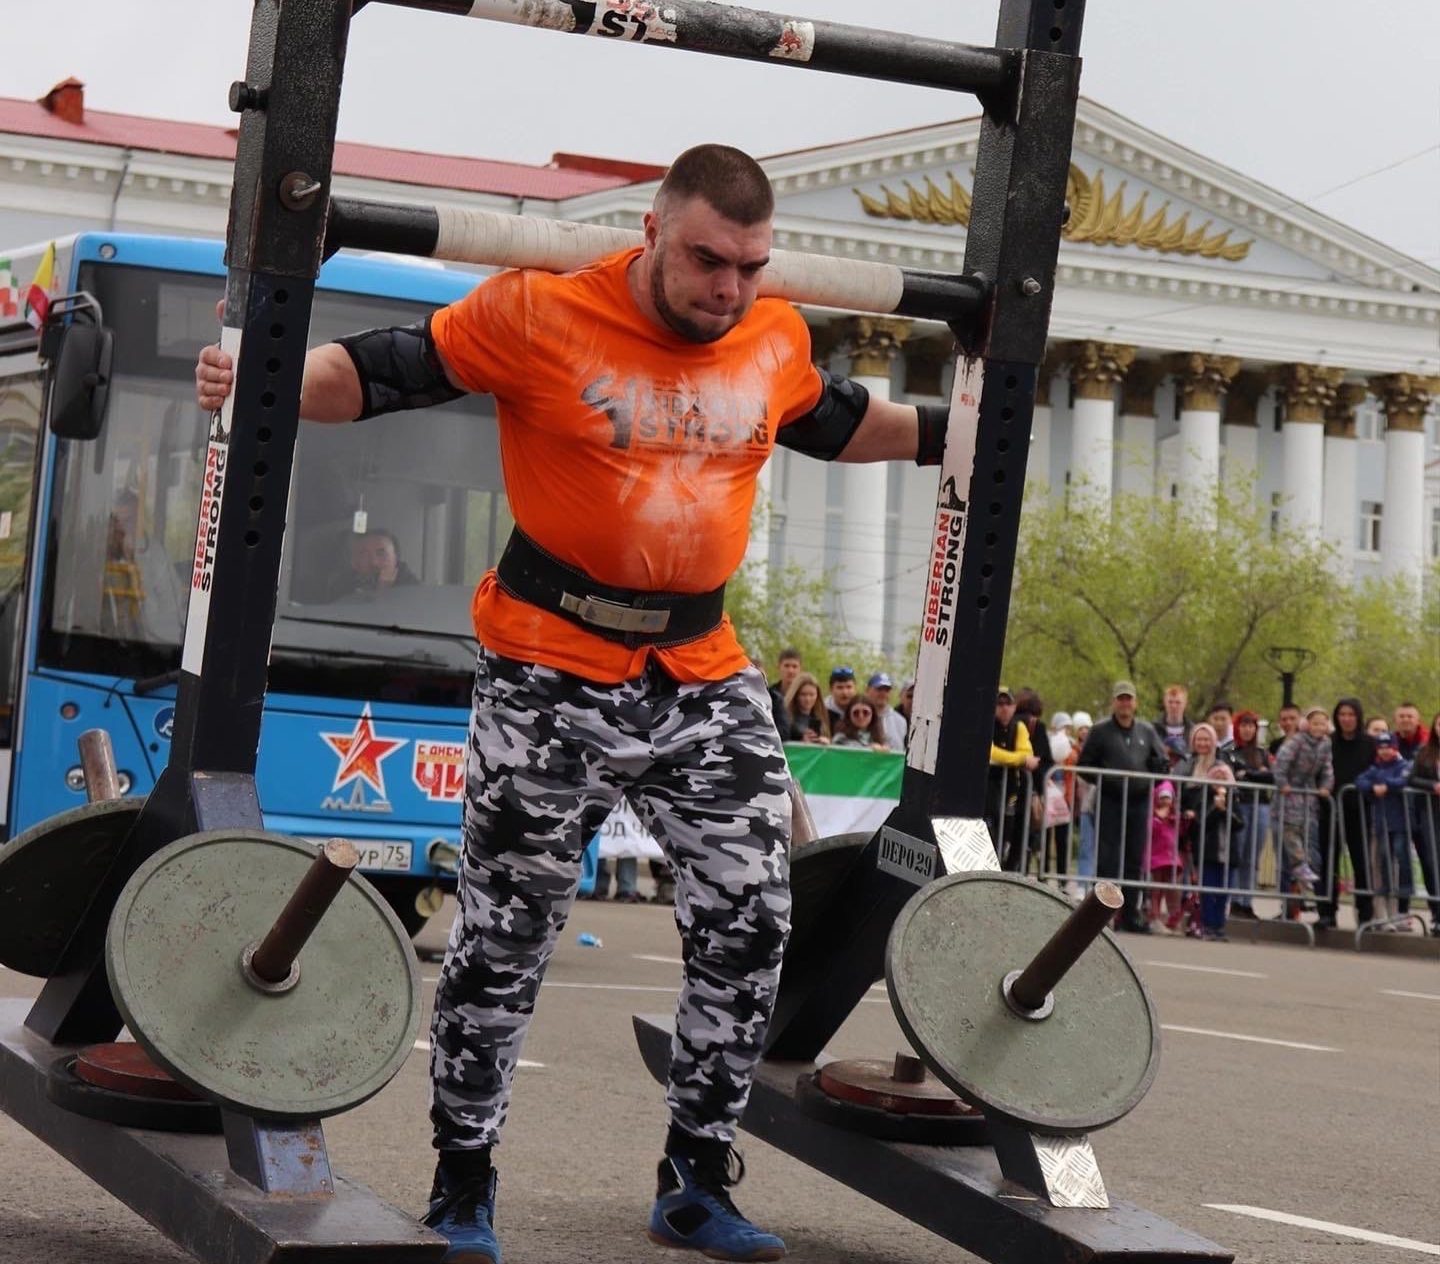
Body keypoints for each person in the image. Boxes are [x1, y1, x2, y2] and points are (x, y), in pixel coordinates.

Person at [196, 143, 952, 1264]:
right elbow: (381, 372)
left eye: (750, 266)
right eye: (707, 260)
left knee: (755, 917)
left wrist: (970, 427)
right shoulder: (540, 312)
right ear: (653, 232)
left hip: (699, 673)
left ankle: (695, 1179)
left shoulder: (772, 335)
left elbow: (843, 422)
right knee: (506, 935)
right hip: (548, 667)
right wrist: (260, 373)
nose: (729, 287)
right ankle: (463, 1184)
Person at [1075, 682, 1168, 931]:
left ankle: (1130, 915)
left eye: (1129, 699)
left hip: (1138, 802)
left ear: (1135, 703)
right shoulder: (1100, 731)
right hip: (1110, 800)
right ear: (1114, 702)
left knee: (1134, 859)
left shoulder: (1147, 731)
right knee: (1108, 858)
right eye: (1121, 699)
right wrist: (1107, 780)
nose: (1125, 704)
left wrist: (1152, 776)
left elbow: (1161, 762)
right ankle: (1101, 914)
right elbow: (1084, 765)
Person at [1320, 697, 1374, 931]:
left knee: (1361, 862)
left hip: (1359, 810)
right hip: (1330, 809)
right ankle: (1326, 911)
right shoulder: (1328, 742)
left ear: (1358, 717)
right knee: (1328, 861)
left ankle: (1365, 913)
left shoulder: (1369, 744)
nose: (1346, 719)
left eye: (1351, 714)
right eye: (1342, 714)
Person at [1273, 705, 1333, 914]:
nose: (1318, 728)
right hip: (1289, 792)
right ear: (1307, 724)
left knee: (1309, 836)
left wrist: (1326, 786)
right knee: (1290, 831)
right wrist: (1283, 783)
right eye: (1314, 723)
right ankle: (1299, 866)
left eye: (1322, 724)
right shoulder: (1297, 740)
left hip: (1308, 794)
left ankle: (1308, 875)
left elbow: (1327, 768)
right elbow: (1281, 761)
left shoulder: (1326, 744)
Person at [1355, 732, 1415, 924]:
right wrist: (1373, 787)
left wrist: (1385, 785)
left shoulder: (1403, 765)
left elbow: (1403, 780)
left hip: (1400, 822)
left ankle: (1406, 887)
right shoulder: (1376, 768)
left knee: (1401, 854)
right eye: (1381, 748)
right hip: (1382, 822)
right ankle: (1387, 887)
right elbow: (1360, 781)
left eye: (1388, 747)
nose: (1384, 751)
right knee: (1384, 856)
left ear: (1395, 748)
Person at [1227, 709, 1274, 921]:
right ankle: (1235, 900)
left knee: (1253, 855)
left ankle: (1247, 901)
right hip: (1241, 805)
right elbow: (1235, 776)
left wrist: (1249, 773)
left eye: (1251, 726)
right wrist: (1256, 774)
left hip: (1261, 805)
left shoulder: (1262, 753)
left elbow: (1271, 777)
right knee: (1238, 852)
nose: (1247, 730)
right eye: (1243, 725)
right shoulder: (1231, 751)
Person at [987, 686, 1038, 870]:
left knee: (1013, 831)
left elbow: (1027, 752)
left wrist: (1016, 759)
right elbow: (990, 753)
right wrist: (1019, 760)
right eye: (999, 703)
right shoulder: (988, 724)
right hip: (989, 787)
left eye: (1008, 703)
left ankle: (1008, 870)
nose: (1004, 708)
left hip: (1012, 789)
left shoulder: (1019, 727)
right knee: (992, 830)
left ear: (1014, 707)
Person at [1404, 715, 1440, 936]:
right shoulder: (1425, 753)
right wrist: (1433, 786)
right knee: (1432, 863)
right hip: (1430, 814)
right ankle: (1437, 913)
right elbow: (1412, 779)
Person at [1148, 781, 1182, 931]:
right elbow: (1150, 831)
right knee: (1155, 890)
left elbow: (1180, 832)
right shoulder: (1153, 816)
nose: (1166, 802)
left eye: (1168, 798)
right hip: (1156, 858)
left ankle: (1172, 919)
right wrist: (1158, 818)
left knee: (1168, 889)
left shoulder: (1174, 817)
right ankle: (1154, 917)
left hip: (1170, 859)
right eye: (1163, 798)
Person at [782, 672, 830, 744]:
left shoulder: (822, 716)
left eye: (812, 695)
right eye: (803, 694)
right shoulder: (784, 718)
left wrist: (825, 741)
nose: (808, 699)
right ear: (795, 695)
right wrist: (799, 740)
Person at [1154, 684, 1194, 769]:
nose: (1173, 706)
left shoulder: (1193, 730)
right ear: (1164, 703)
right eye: (1170, 702)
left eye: (1178, 702)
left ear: (1185, 704)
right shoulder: (1153, 728)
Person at [865, 671, 907, 752]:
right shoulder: (859, 715)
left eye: (887, 690)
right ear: (867, 690)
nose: (883, 693)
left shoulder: (900, 720)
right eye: (879, 689)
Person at [767, 648, 802, 741]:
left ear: (800, 669)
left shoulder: (807, 696)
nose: (790, 670)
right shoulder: (770, 695)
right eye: (786, 666)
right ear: (779, 667)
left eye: (794, 666)